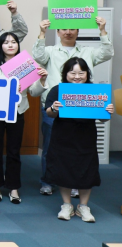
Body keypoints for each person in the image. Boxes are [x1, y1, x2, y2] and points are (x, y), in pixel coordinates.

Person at [32, 16, 112, 196]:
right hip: (55, 106)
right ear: (58, 32)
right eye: (64, 29)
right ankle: (47, 181)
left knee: (78, 149)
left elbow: (107, 53)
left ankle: (75, 183)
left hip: (82, 108)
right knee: (50, 147)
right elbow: (37, 56)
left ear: (78, 31)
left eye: (72, 29)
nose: (68, 32)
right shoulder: (50, 51)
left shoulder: (88, 51)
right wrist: (42, 33)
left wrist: (102, 30)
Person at [44, 57, 112, 222]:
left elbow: (103, 119)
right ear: (65, 74)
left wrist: (107, 111)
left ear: (87, 74)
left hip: (86, 137)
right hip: (63, 137)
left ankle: (83, 206)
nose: (77, 76)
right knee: (64, 169)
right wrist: (54, 108)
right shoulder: (58, 90)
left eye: (81, 73)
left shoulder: (95, 92)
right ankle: (67, 205)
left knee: (86, 170)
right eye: (72, 73)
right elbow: (49, 113)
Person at [0, 32, 48, 203]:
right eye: (6, 42)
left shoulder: (27, 64)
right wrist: (10, 86)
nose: (10, 45)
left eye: (14, 42)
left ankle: (13, 187)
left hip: (17, 110)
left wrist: (42, 80)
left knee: (14, 151)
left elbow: (34, 92)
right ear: (0, 46)